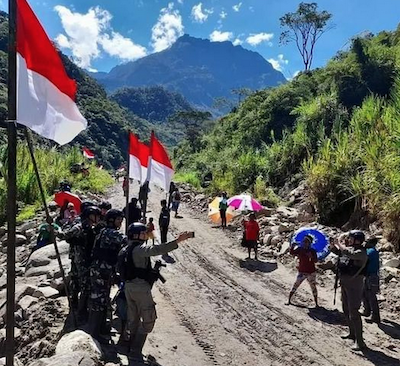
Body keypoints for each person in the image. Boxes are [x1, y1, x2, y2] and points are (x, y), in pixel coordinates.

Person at [123, 223, 193, 362]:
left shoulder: (126, 248)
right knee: (149, 319)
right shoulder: (139, 249)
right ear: (136, 235)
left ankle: (128, 347)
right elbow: (156, 249)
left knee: (133, 318)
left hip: (129, 287)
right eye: (143, 233)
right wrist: (178, 240)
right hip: (140, 289)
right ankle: (135, 351)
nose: (145, 235)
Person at [88, 209, 126, 342]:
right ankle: (93, 334)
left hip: (103, 271)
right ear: (111, 220)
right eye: (118, 220)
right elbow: (126, 241)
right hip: (100, 271)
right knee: (99, 302)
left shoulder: (104, 231)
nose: (120, 222)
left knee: (103, 300)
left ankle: (101, 329)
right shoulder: (110, 232)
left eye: (121, 220)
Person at [331, 230, 368, 351]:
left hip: (354, 287)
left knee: (354, 312)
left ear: (357, 240)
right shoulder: (350, 249)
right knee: (346, 309)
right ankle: (352, 333)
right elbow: (340, 253)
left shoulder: (361, 252)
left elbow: (349, 253)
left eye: (351, 238)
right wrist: (334, 245)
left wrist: (339, 244)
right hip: (345, 284)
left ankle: (360, 342)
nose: (349, 240)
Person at [64, 205, 102, 322]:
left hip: (85, 259)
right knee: (82, 285)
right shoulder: (79, 227)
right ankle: (80, 310)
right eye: (94, 216)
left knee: (81, 284)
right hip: (80, 260)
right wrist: (77, 241)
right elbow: (67, 235)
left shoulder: (92, 228)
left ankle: (78, 306)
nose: (96, 218)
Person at [286, 235, 319, 307]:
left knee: (313, 287)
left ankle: (316, 303)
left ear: (310, 243)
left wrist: (311, 257)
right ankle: (289, 300)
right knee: (296, 284)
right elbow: (292, 253)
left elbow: (316, 261)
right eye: (304, 241)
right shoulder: (300, 249)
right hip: (302, 271)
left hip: (311, 272)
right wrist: (292, 246)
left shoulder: (312, 251)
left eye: (306, 242)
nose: (305, 243)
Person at [360, 237, 381, 324]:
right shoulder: (371, 250)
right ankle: (367, 311)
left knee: (371, 296)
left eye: (367, 242)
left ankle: (375, 316)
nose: (365, 243)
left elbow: (363, 258)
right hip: (368, 275)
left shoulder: (371, 251)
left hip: (371, 276)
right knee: (364, 294)